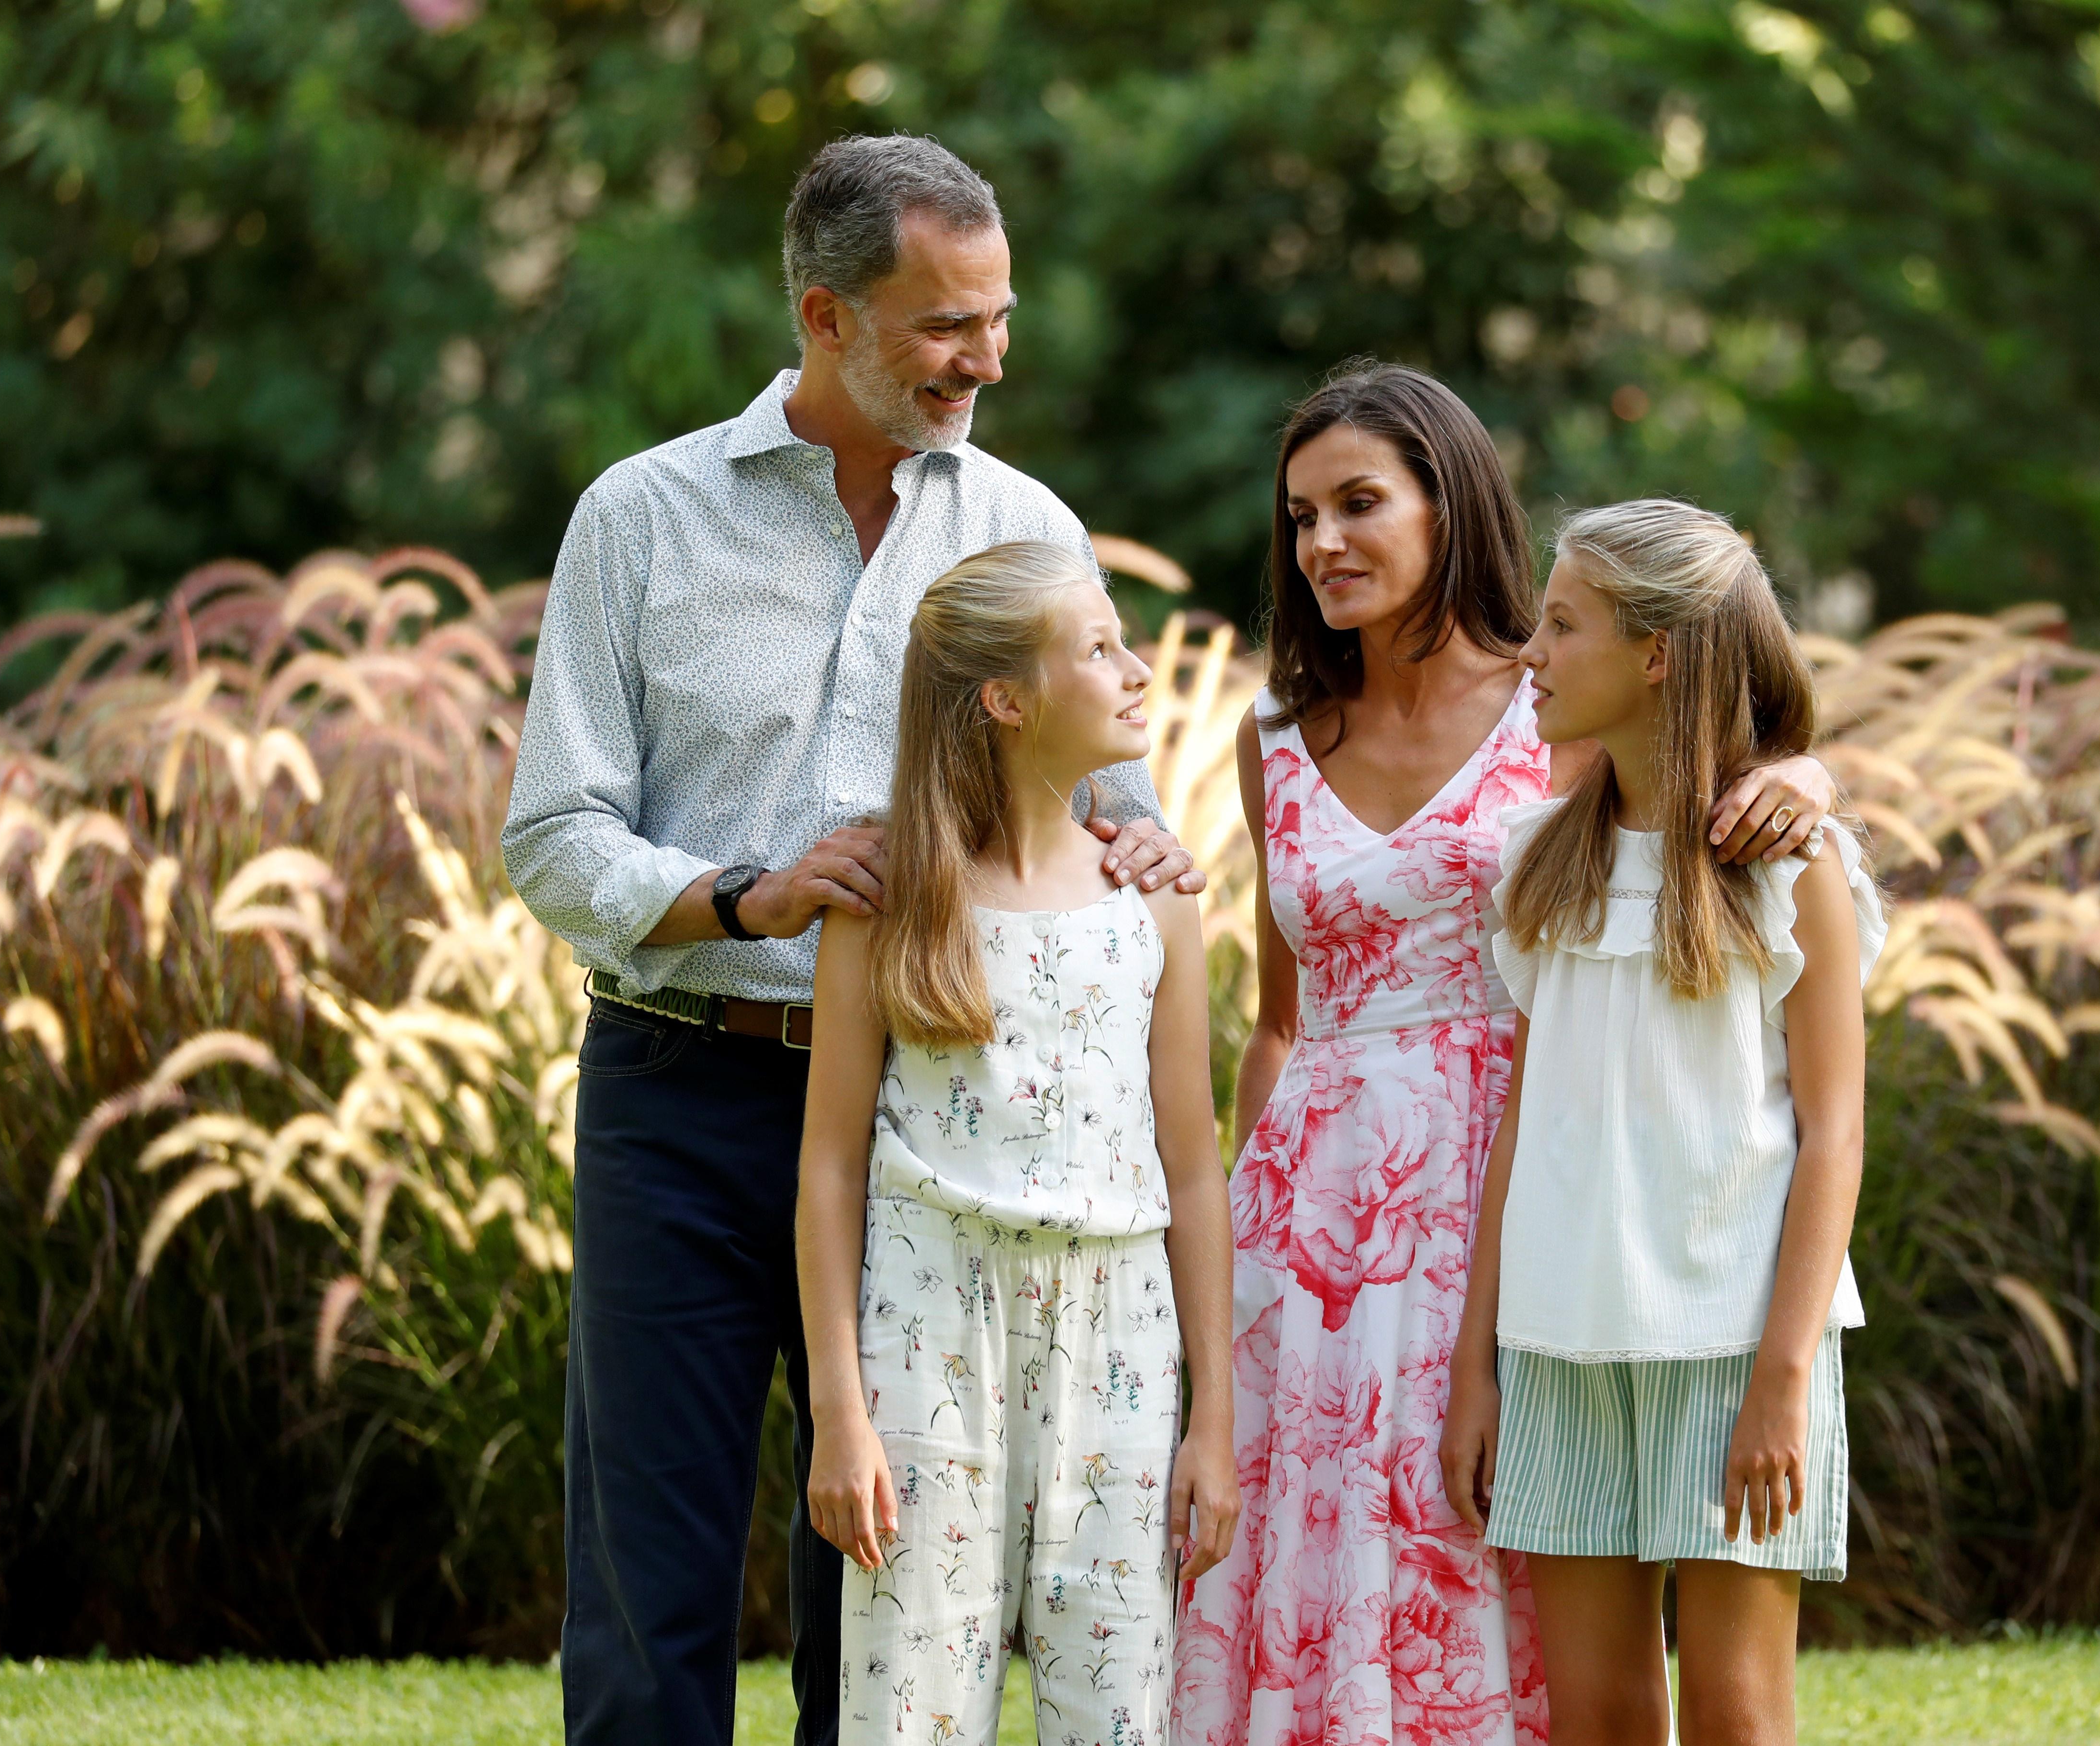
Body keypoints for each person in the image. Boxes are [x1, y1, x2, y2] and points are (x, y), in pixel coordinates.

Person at [501, 136, 1200, 1746]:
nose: (989, 356)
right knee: (646, 1578)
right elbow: (552, 828)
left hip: (930, 1122)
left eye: (1000, 315)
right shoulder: (645, 515)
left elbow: (1105, 800)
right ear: (828, 313)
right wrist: (747, 893)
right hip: (679, 1088)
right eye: (947, 324)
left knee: (885, 1590)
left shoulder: (1026, 523)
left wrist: (1142, 838)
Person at [1172, 365, 1834, 1746]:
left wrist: (1810, 775)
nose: (1323, 544)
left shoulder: (1556, 712)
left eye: (1360, 504)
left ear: (1448, 503)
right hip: (1316, 1218)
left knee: (1492, 1576)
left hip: (1536, 1187)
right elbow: (1280, 1017)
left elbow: (1713, 767)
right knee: (1320, 1561)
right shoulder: (1276, 736)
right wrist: (1244, 1235)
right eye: (1299, 519)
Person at [1441, 500, 1884, 1746]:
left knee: (1739, 1715)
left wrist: (1784, 1384)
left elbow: (1834, 1138)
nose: (1532, 652)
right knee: (1601, 1717)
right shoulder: (1538, 863)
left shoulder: (1796, 871)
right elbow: (1521, 1130)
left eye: (1564, 624)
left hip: (1737, 1346)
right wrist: (1481, 1367)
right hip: (1559, 1343)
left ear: (1656, 657)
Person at [793, 541, 1239, 1746]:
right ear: (1006, 699)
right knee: (910, 1704)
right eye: (1100, 649)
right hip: (930, 1326)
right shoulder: (886, 905)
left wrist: (1216, 1419)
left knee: (1120, 1701)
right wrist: (841, 1410)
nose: (1140, 670)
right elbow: (830, 1164)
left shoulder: (1150, 901)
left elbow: (1194, 1170)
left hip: (1123, 1335)